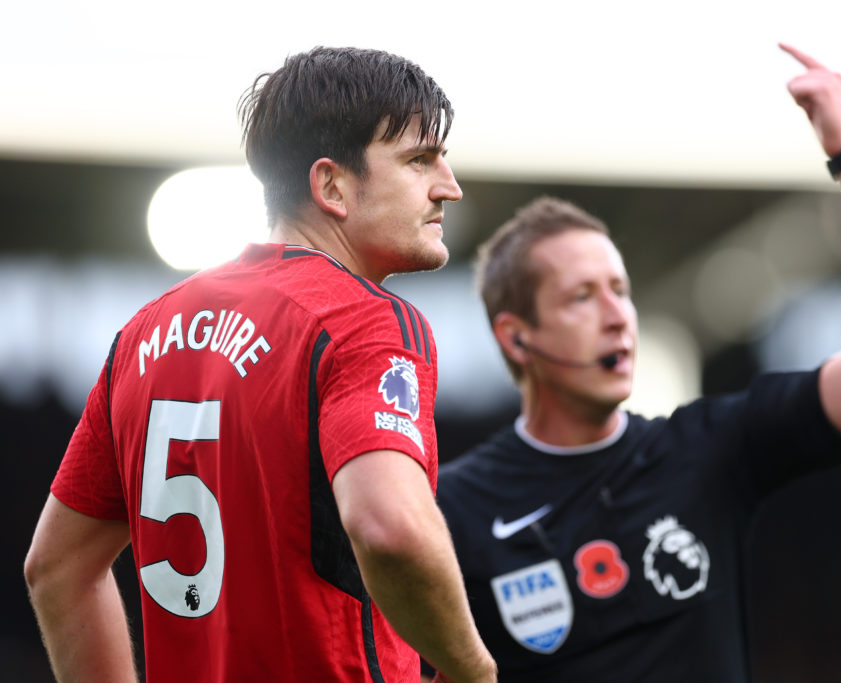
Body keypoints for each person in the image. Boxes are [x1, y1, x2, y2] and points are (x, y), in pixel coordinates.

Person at [425, 44, 841, 682]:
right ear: (517, 339)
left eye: (620, 291)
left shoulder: (710, 449)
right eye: (581, 297)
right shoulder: (451, 510)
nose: (618, 314)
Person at [24, 47, 496, 683]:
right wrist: (474, 672)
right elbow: (391, 529)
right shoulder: (363, 321)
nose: (449, 185)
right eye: (419, 160)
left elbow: (55, 568)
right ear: (330, 185)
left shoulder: (142, 334)